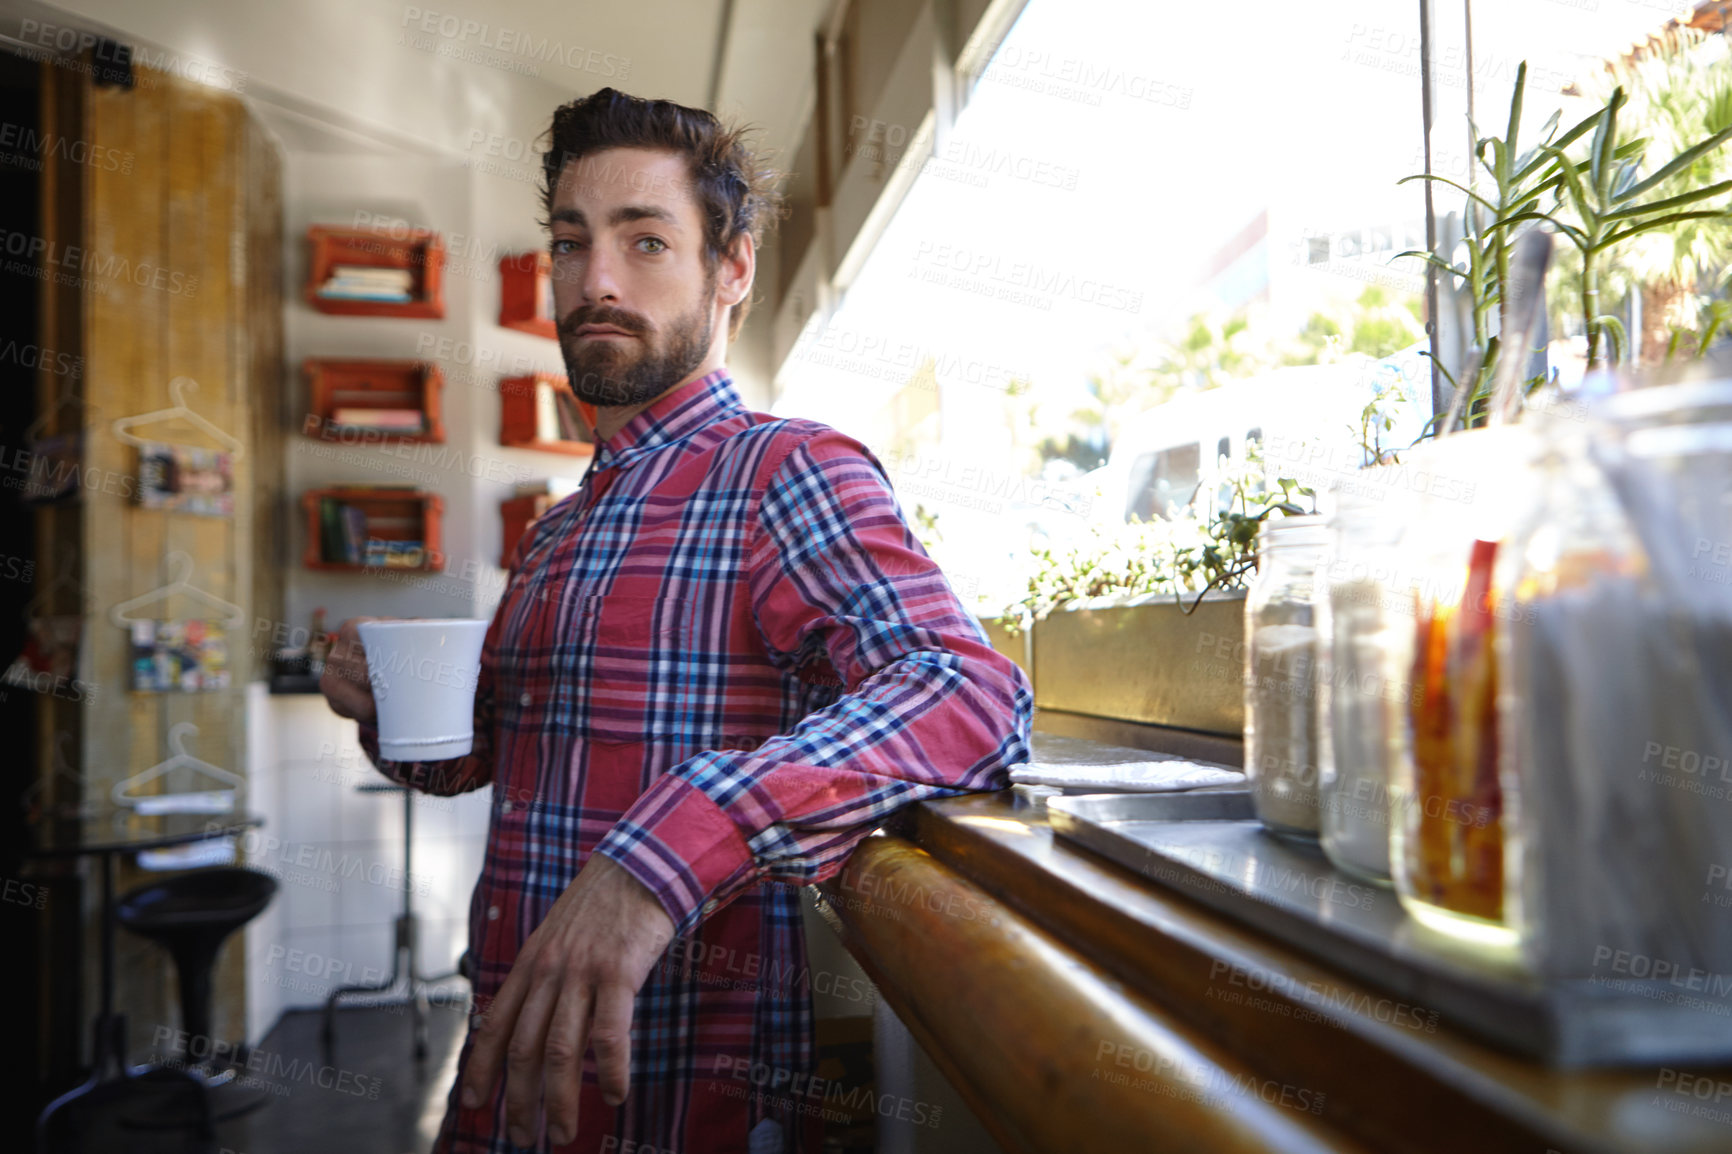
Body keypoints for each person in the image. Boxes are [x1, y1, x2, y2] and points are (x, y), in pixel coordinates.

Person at [320, 87, 1032, 1154]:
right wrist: (393, 717)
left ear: (731, 269)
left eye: (645, 240)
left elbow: (968, 694)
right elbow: (504, 761)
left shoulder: (786, 471)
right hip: (510, 1074)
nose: (595, 280)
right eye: (571, 241)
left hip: (674, 1096)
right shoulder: (561, 530)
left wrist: (660, 851)